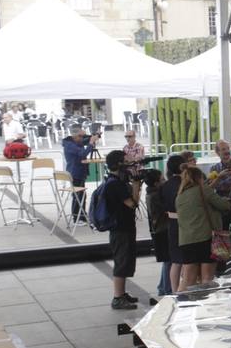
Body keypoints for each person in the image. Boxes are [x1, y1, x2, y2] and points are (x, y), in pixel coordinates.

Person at [175, 165, 231, 290]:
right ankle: (205, 306)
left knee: (188, 280)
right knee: (207, 278)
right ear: (199, 178)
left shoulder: (180, 196)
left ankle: (180, 304)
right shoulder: (204, 190)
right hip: (204, 240)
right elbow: (224, 206)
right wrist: (226, 200)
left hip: (186, 242)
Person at [101, 150, 141, 310]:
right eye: (126, 160)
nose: (130, 164)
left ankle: (122, 294)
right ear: (118, 164)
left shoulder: (116, 181)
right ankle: (117, 297)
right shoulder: (115, 184)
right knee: (122, 261)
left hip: (124, 227)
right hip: (120, 228)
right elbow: (133, 204)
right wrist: (137, 185)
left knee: (126, 260)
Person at [141, 168, 171, 301]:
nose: (165, 181)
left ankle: (163, 287)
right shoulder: (156, 196)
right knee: (169, 261)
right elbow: (166, 209)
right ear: (156, 183)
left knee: (167, 261)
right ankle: (166, 289)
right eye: (162, 179)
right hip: (163, 230)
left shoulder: (151, 194)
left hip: (159, 230)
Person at [62, 125, 99, 222]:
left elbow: (85, 141)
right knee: (78, 196)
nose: (83, 138)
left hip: (80, 172)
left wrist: (94, 136)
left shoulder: (76, 141)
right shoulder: (70, 145)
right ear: (75, 136)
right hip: (75, 173)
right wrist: (91, 143)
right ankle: (76, 217)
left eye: (83, 136)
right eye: (81, 136)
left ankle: (81, 215)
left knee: (82, 195)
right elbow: (83, 153)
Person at [159, 155, 185, 295]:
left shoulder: (166, 185)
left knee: (175, 261)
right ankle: (185, 289)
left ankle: (174, 292)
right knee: (187, 259)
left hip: (171, 223)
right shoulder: (185, 183)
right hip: (186, 223)